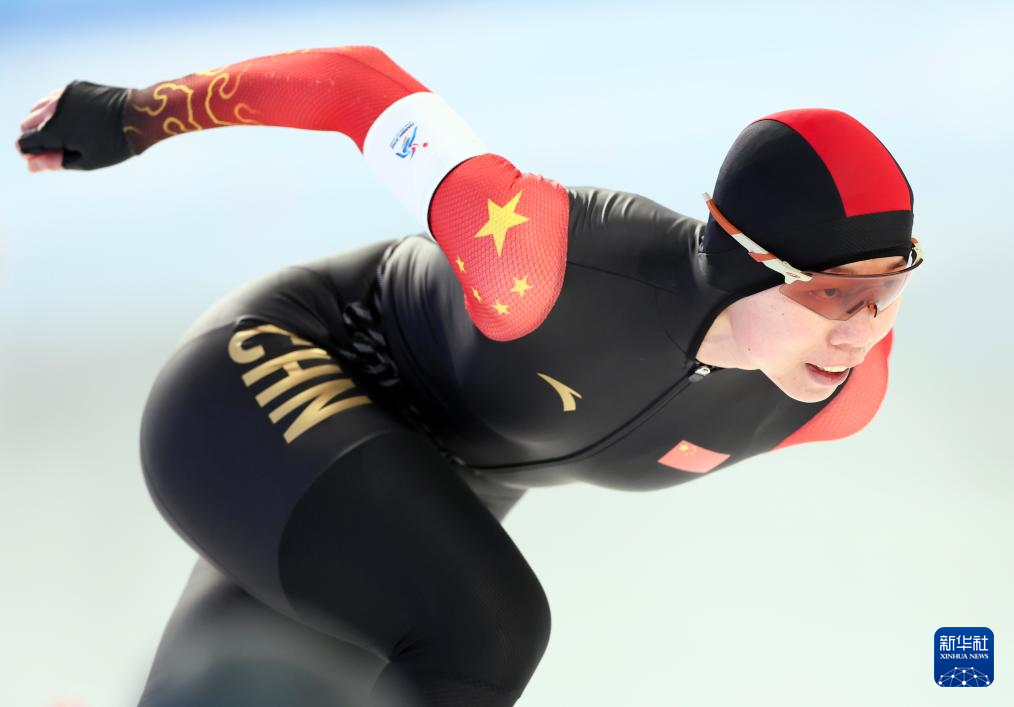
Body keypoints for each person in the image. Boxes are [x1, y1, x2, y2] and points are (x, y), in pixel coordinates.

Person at [16, 45, 924, 707]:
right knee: (485, 630)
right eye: (833, 293)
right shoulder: (538, 262)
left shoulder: (843, 396)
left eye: (889, 289)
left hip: (409, 478)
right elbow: (359, 85)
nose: (862, 330)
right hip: (276, 372)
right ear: (742, 261)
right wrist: (135, 114)